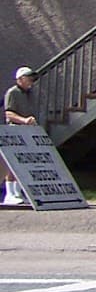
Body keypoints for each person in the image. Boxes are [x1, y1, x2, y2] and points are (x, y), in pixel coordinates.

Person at [4, 66, 39, 206]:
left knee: (23, 163)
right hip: (15, 130)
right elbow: (8, 113)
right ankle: (10, 194)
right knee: (12, 163)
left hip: (27, 131)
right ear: (20, 79)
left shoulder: (30, 94)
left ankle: (18, 193)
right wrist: (24, 120)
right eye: (28, 78)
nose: (31, 81)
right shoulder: (13, 92)